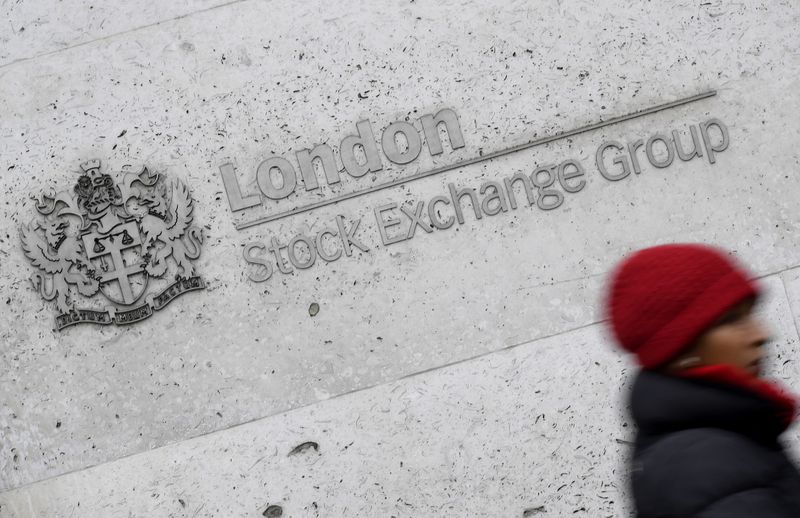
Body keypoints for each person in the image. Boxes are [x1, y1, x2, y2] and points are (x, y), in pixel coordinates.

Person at [605, 243, 800, 517]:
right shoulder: (706, 462)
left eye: (750, 314)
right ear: (679, 348)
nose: (761, 334)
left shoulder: (721, 437)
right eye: (732, 319)